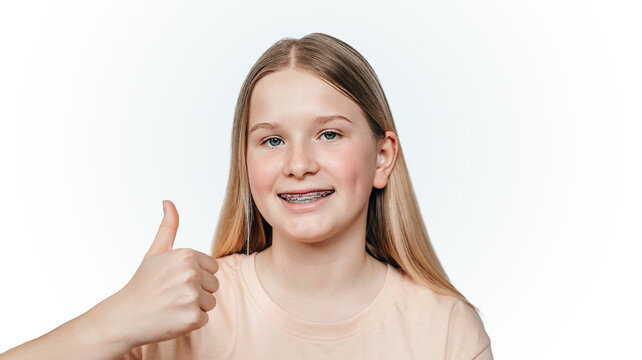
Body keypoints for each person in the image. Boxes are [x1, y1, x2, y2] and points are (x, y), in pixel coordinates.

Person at [0, 32, 493, 360]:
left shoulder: (445, 331)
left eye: (329, 134)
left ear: (383, 157)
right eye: (272, 140)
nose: (298, 164)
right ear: (246, 162)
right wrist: (117, 317)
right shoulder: (184, 313)